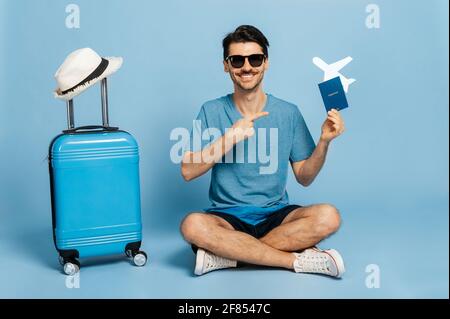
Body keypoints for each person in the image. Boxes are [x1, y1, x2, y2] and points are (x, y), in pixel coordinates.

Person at [180, 25, 346, 278]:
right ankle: (294, 261)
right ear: (226, 65)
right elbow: (187, 171)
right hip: (226, 218)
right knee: (192, 225)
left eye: (255, 59)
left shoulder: (288, 112)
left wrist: (324, 142)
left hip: (276, 215)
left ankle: (228, 256)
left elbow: (305, 176)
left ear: (266, 63)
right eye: (237, 60)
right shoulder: (210, 110)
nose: (247, 67)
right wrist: (229, 138)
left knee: (328, 216)